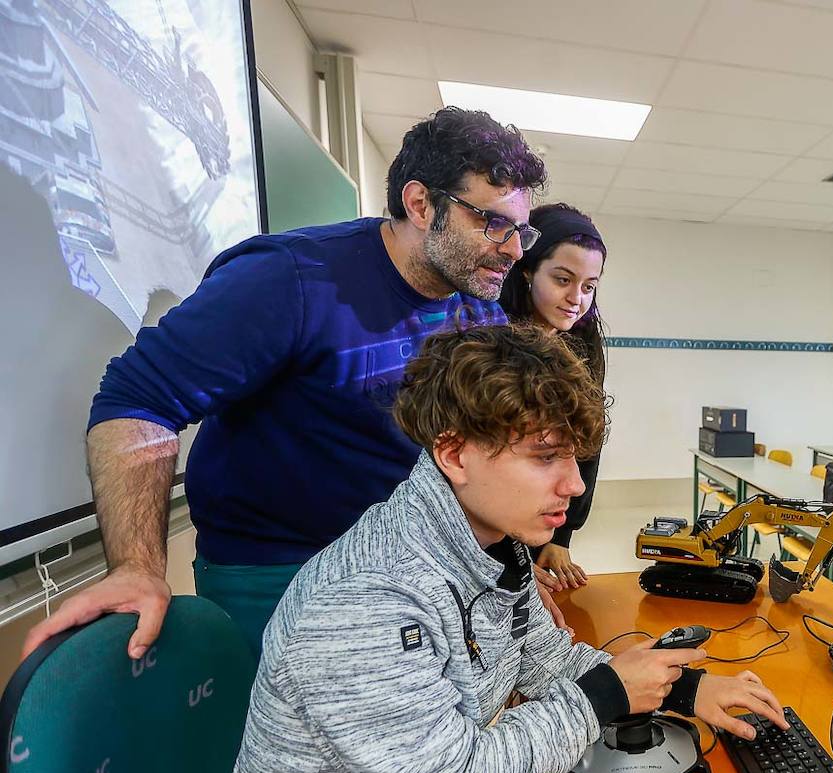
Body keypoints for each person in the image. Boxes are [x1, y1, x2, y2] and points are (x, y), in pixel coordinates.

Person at [209, 324, 789, 773]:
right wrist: (605, 696)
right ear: (454, 452)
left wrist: (682, 687)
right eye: (545, 456)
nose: (575, 483)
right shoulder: (365, 600)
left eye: (574, 457)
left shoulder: (488, 545)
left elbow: (548, 661)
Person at [21, 107, 567, 662]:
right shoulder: (289, 279)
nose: (515, 250)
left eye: (522, 229)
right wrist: (137, 567)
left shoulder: (477, 308)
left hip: (406, 566)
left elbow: (480, 455)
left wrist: (506, 574)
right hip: (276, 573)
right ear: (421, 204)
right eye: (493, 223)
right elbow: (137, 400)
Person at [498, 203, 607, 593]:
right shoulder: (491, 347)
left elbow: (586, 450)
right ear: (526, 271)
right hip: (490, 536)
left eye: (589, 286)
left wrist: (561, 539)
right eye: (563, 279)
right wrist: (514, 563)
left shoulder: (582, 347)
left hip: (541, 527)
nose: (576, 298)